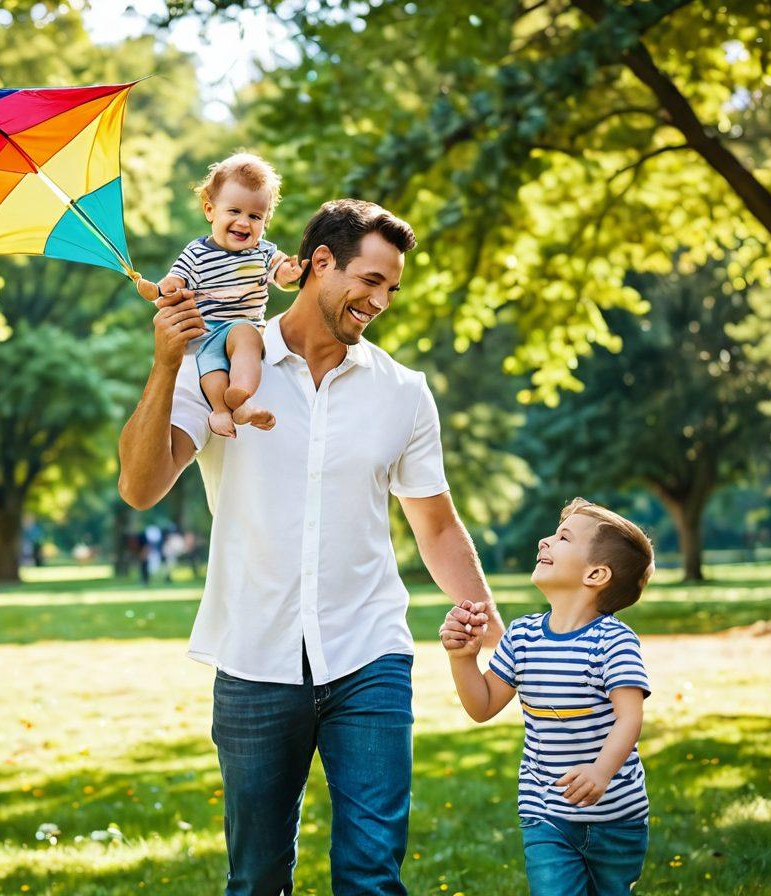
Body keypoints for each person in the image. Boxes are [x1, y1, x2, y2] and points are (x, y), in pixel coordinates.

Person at [118, 198, 503, 895]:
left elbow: (437, 525)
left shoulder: (403, 393)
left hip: (370, 655)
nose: (381, 300)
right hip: (255, 656)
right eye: (371, 280)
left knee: (371, 876)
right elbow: (141, 487)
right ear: (320, 264)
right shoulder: (223, 368)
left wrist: (491, 621)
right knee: (258, 879)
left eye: (391, 288)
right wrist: (165, 362)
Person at [440, 498, 655, 896]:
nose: (544, 541)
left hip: (616, 819)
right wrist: (463, 659)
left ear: (596, 574)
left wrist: (600, 772)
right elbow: (482, 706)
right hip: (546, 812)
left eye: (563, 537)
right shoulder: (522, 637)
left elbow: (630, 717)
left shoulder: (614, 641)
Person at [135, 153, 306, 438]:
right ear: (210, 210)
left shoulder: (262, 252)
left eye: (255, 216)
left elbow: (279, 276)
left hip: (243, 326)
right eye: (234, 211)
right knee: (211, 370)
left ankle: (243, 402)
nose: (244, 222)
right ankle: (220, 410)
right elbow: (176, 280)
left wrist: (288, 276)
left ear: (265, 221)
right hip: (205, 332)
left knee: (246, 342)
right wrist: (164, 289)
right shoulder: (196, 253)